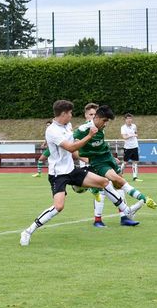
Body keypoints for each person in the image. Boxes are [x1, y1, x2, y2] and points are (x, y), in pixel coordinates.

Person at [20, 100, 139, 246]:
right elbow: (70, 148)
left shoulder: (67, 125)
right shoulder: (52, 131)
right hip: (58, 174)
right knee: (58, 206)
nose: (71, 115)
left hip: (72, 170)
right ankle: (27, 232)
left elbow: (76, 145)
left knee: (104, 182)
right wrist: (89, 136)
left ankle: (126, 211)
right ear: (63, 114)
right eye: (70, 113)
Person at [73, 105, 157, 227]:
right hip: (94, 163)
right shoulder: (82, 130)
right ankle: (99, 220)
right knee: (103, 188)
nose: (106, 123)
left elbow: (100, 146)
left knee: (118, 184)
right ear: (88, 116)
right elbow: (72, 148)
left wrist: (112, 158)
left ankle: (124, 216)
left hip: (106, 158)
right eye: (90, 114)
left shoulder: (100, 128)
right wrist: (86, 160)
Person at [120, 113, 142, 181]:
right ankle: (120, 174)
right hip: (128, 147)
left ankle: (135, 177)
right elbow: (124, 137)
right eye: (128, 118)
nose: (129, 120)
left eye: (130, 118)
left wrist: (134, 134)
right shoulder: (123, 127)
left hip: (135, 146)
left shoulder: (134, 126)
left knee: (135, 162)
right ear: (125, 120)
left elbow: (136, 133)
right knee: (125, 162)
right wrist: (131, 135)